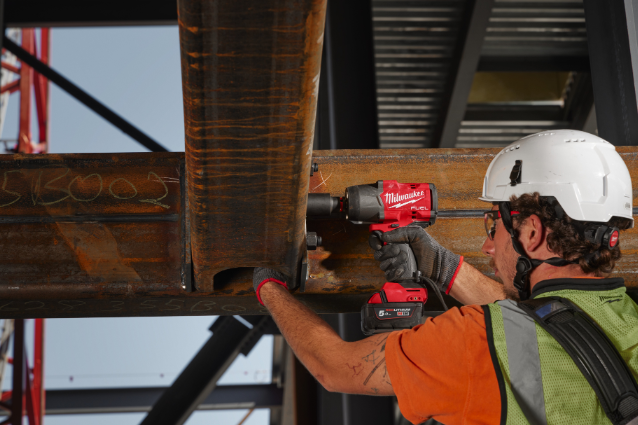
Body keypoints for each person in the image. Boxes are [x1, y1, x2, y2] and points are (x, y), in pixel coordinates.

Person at [253, 129, 638, 424]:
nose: (487, 247)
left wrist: (270, 284)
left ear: (533, 233)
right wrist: (443, 267)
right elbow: (540, 327)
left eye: (494, 226)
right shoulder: (628, 320)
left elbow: (335, 368)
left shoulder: (471, 344)